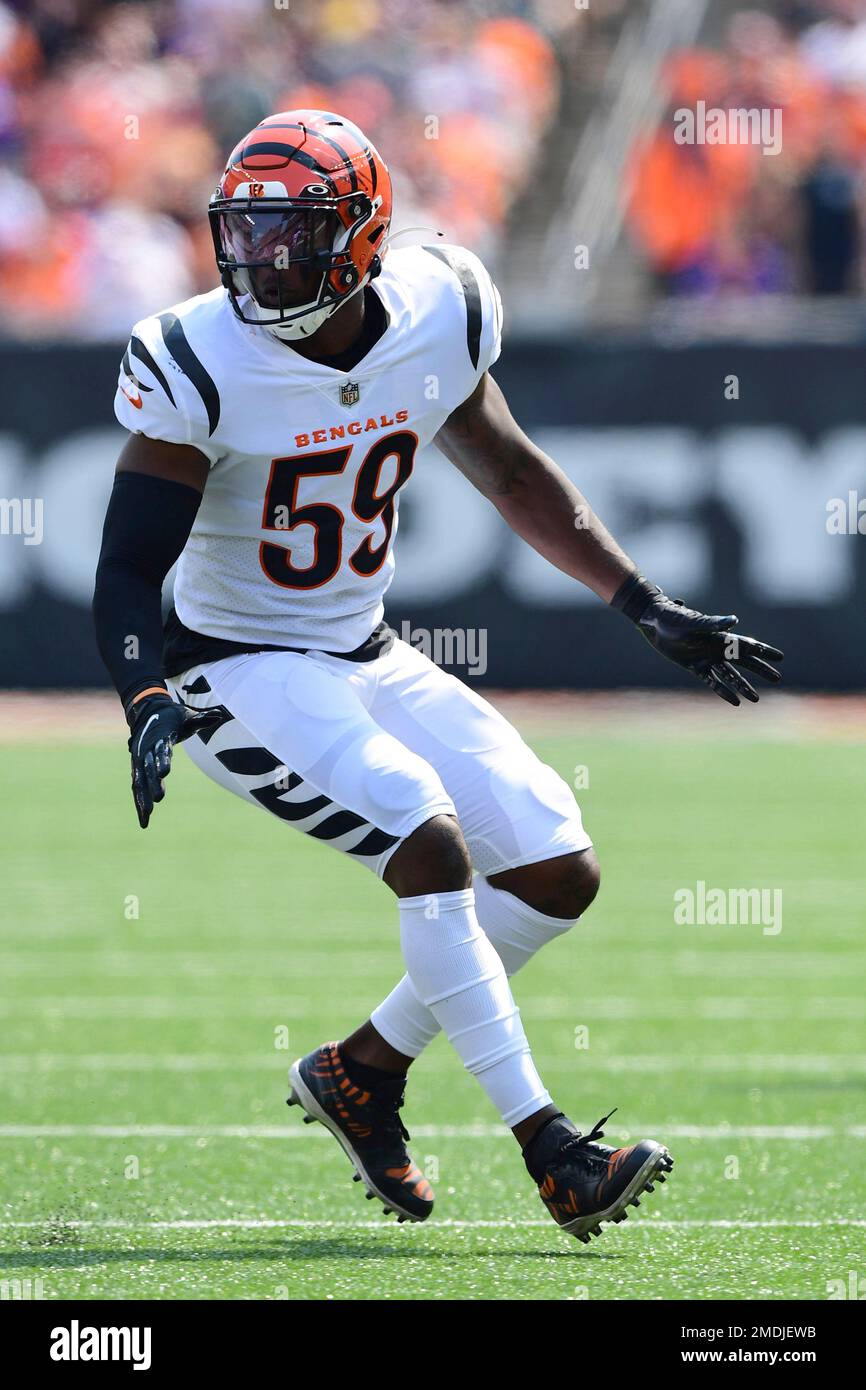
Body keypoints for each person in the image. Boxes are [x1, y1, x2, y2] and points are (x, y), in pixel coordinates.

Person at [93, 110, 782, 1242]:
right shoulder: (195, 357)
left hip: (362, 645)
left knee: (557, 865)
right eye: (247, 234)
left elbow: (508, 467)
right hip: (233, 665)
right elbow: (126, 569)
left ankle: (359, 1072)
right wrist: (144, 694)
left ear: (363, 238)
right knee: (428, 835)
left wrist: (639, 601)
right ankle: (550, 1147)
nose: (262, 260)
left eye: (292, 234)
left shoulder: (440, 307)